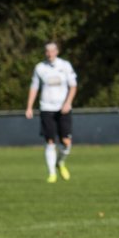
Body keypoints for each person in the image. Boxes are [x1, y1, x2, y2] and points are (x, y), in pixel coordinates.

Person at [24, 42, 78, 183]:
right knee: (50, 141)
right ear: (45, 52)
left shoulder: (65, 65)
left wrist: (68, 103)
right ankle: (52, 173)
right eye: (47, 51)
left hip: (63, 108)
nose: (50, 54)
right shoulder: (40, 68)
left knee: (66, 142)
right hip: (46, 108)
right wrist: (29, 107)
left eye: (52, 51)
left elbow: (73, 86)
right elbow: (34, 87)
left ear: (57, 51)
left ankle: (60, 162)